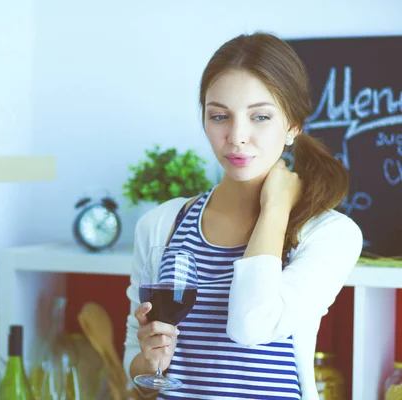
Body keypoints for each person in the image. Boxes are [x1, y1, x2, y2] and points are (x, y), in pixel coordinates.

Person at [123, 32, 363, 400]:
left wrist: (276, 208)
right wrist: (149, 358)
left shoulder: (329, 234)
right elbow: (139, 382)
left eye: (260, 117)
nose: (237, 136)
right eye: (219, 116)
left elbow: (253, 327)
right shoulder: (161, 225)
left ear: (293, 126)